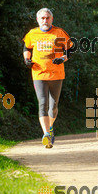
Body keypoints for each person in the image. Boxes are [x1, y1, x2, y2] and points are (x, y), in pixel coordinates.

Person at [23, 8, 73, 148]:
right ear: (38, 20)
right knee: (42, 103)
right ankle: (46, 134)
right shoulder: (32, 34)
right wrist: (27, 59)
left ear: (52, 19)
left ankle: (50, 127)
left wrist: (63, 58)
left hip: (56, 75)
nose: (45, 20)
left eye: (47, 18)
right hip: (38, 73)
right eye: (42, 18)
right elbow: (27, 48)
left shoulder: (59, 33)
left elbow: (70, 49)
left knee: (53, 107)